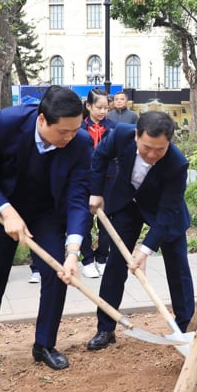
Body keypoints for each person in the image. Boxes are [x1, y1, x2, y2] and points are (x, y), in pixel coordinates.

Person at [0, 86, 92, 372]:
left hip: (46, 211)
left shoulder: (80, 142)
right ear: (42, 121)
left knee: (57, 273)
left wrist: (73, 252)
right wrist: (7, 211)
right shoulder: (6, 123)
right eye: (63, 132)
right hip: (0, 209)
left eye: (75, 130)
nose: (70, 137)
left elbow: (77, 198)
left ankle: (44, 344)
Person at [85, 111, 196, 350]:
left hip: (163, 212)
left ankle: (185, 328)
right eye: (147, 148)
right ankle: (106, 327)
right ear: (136, 136)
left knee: (178, 267)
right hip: (127, 204)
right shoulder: (121, 136)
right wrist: (96, 192)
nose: (152, 155)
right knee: (115, 263)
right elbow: (100, 157)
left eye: (160, 150)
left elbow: (167, 212)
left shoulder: (177, 163)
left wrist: (145, 251)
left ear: (169, 143)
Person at [80, 88, 117, 278]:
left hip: (109, 180)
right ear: (88, 106)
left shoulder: (113, 128)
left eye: (106, 108)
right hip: (85, 180)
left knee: (107, 220)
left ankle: (103, 257)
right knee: (84, 221)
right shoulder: (78, 128)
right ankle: (86, 259)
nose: (103, 111)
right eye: (99, 107)